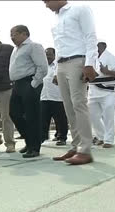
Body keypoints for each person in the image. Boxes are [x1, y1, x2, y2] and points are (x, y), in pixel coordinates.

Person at [43, 0, 99, 165]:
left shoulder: (80, 9)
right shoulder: (57, 18)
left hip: (77, 61)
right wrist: (55, 71)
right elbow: (59, 45)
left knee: (78, 104)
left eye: (46, 1)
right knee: (68, 107)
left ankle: (85, 150)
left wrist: (90, 64)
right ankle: (75, 146)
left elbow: (91, 37)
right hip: (61, 64)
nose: (46, 5)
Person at [9, 25, 48, 158]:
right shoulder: (16, 49)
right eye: (11, 34)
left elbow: (42, 67)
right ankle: (29, 141)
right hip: (17, 84)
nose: (12, 37)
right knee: (14, 113)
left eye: (14, 34)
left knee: (32, 116)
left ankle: (34, 148)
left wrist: (33, 84)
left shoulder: (34, 46)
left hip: (29, 82)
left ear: (24, 34)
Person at [88, 40, 115, 149]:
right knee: (92, 116)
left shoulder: (113, 58)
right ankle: (101, 136)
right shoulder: (90, 59)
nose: (96, 48)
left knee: (109, 116)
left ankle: (109, 140)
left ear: (104, 46)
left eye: (98, 46)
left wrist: (108, 71)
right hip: (92, 91)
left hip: (107, 91)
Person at [41, 47, 69, 146]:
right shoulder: (42, 66)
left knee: (60, 119)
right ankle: (42, 137)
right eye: (45, 54)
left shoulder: (58, 66)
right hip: (44, 96)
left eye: (49, 54)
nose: (47, 56)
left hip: (57, 97)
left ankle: (62, 137)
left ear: (54, 55)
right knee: (43, 118)